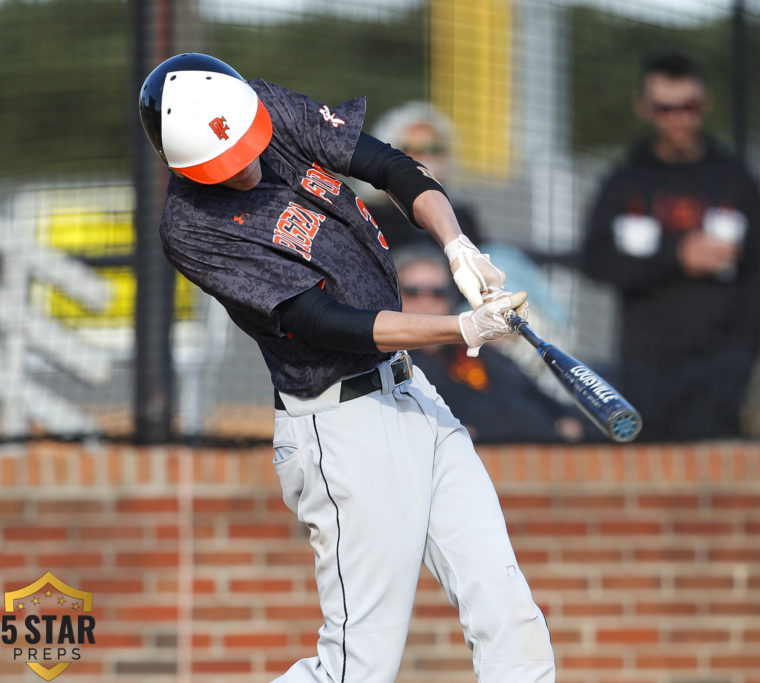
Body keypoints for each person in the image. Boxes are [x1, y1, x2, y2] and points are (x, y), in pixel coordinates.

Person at [138, 53, 555, 683]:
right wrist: (461, 329)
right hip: (342, 429)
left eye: (248, 146)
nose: (247, 166)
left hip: (412, 395)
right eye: (223, 165)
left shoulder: (262, 106)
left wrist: (455, 243)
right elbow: (327, 322)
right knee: (355, 667)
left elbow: (386, 164)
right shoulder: (193, 228)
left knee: (509, 616)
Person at [581, 52, 760, 442]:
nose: (679, 118)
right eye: (665, 108)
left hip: (721, 366)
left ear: (704, 106)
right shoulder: (626, 179)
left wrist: (745, 358)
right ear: (645, 109)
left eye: (690, 106)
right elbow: (596, 260)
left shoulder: (735, 177)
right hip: (647, 368)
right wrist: (677, 257)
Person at [395, 245, 587, 443]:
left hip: (539, 452)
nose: (426, 301)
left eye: (438, 292)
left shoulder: (476, 349)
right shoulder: (392, 364)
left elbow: (536, 395)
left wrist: (565, 419)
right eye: (413, 291)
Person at [363, 101, 484, 251]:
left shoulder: (460, 216)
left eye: (434, 149)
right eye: (413, 149)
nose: (425, 158)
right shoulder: (369, 215)